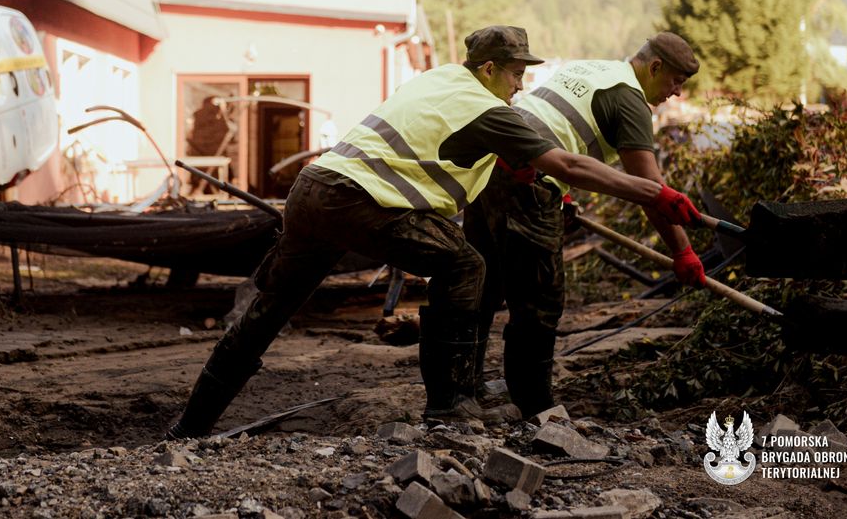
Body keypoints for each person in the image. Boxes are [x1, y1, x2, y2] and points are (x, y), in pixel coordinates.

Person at [166, 26, 702, 439]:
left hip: (315, 189)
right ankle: (448, 407)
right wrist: (658, 195)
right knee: (464, 265)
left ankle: (188, 427)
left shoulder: (438, 77)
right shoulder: (492, 109)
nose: (522, 85)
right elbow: (572, 166)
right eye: (516, 73)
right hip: (362, 199)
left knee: (270, 311)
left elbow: (445, 134)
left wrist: (515, 163)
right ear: (490, 68)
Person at [463, 31, 702, 419]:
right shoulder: (630, 102)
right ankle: (535, 407)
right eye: (676, 81)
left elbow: (554, 124)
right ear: (655, 66)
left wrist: (566, 195)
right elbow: (651, 191)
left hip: (492, 164)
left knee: (483, 280)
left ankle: (464, 389)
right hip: (528, 181)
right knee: (540, 298)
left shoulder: (594, 69)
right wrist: (683, 251)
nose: (675, 93)